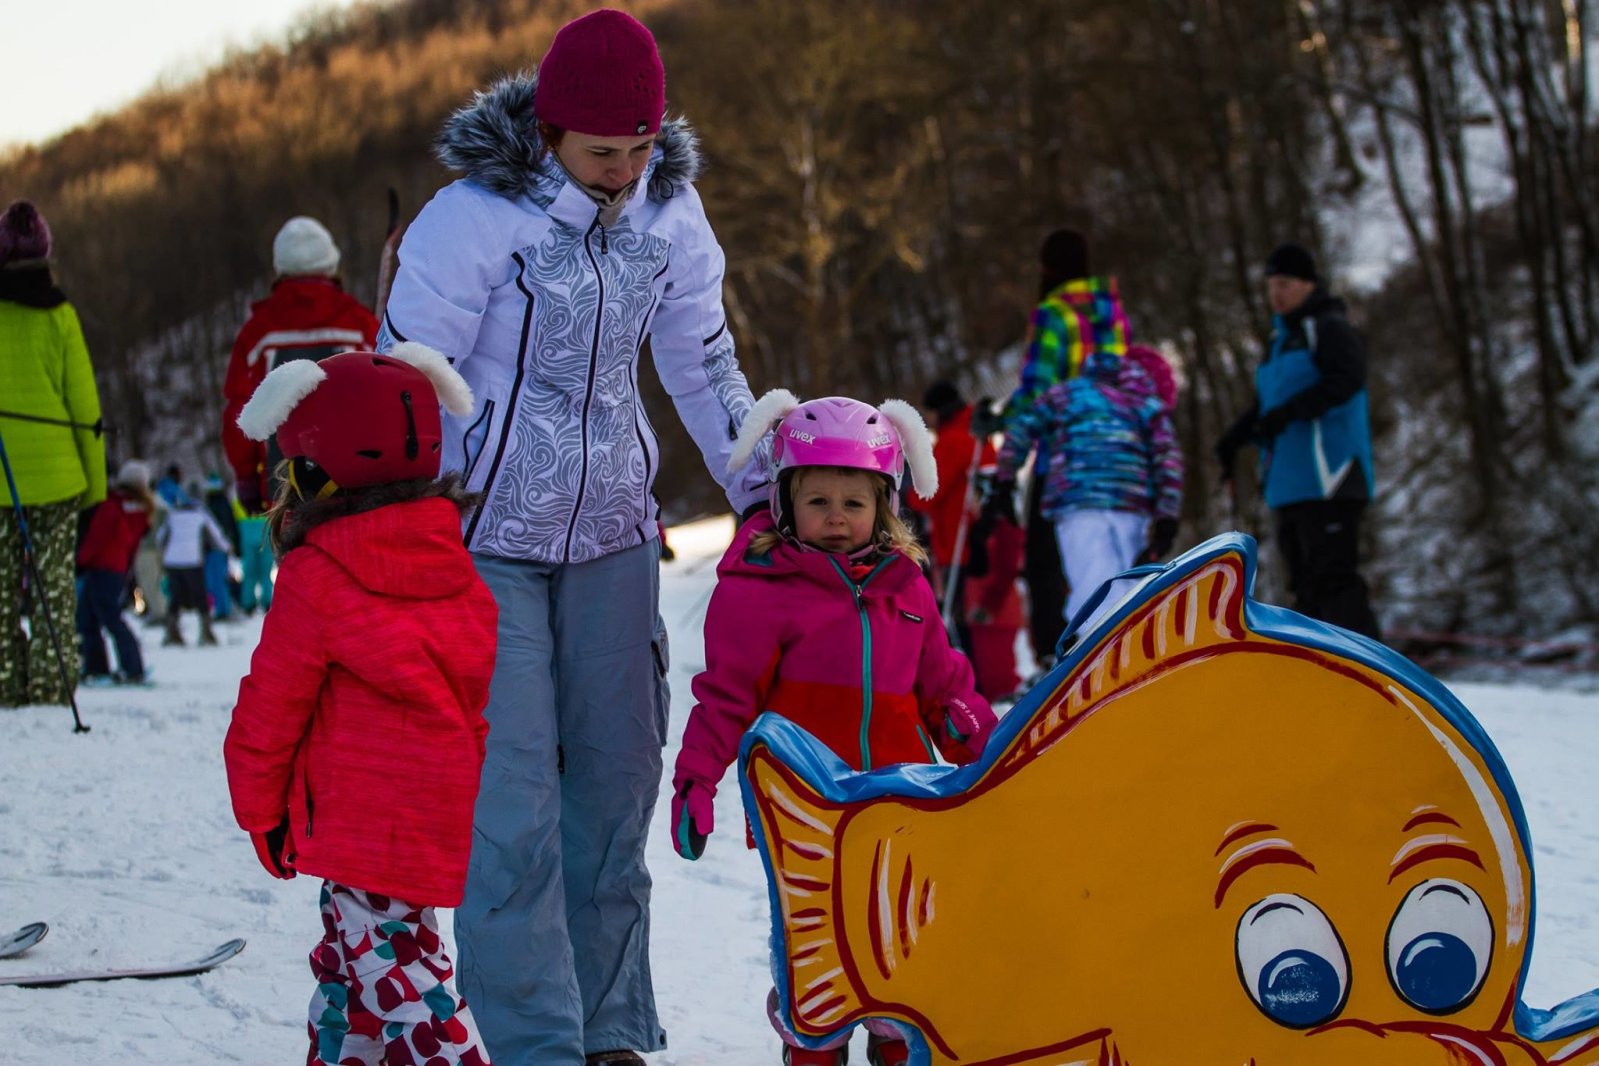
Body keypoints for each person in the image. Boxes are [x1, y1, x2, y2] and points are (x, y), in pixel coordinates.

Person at [376, 10, 771, 1064]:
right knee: (512, 805)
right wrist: (393, 512)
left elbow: (702, 359)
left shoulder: (670, 212)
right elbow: (408, 377)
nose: (625, 172)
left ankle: (609, 1036)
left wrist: (762, 488)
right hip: (484, 539)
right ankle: (537, 1044)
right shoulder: (473, 218)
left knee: (612, 791)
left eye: (642, 148)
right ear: (549, 131)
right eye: (603, 152)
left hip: (615, 536)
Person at [670, 391, 996, 1066]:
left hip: (902, 805)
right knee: (816, 949)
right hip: (804, 814)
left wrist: (991, 752)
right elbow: (725, 699)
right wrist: (695, 781)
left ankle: (896, 1046)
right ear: (785, 499)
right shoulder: (759, 590)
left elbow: (944, 689)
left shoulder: (905, 585)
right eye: (818, 501)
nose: (837, 518)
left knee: (900, 945)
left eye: (854, 502)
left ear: (885, 504)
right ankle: (814, 1048)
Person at [224, 343, 496, 1066]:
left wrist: (260, 811)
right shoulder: (456, 568)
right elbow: (471, 698)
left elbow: (269, 708)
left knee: (406, 986)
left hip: (359, 821)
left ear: (315, 470)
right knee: (354, 972)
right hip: (430, 814)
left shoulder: (317, 575)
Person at [1214, 243, 1380, 639]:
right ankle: (1318, 670)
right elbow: (1268, 405)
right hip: (1288, 484)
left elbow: (1347, 380)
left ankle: (1371, 669)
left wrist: (1289, 413)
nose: (1276, 294)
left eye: (1285, 284)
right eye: (1271, 285)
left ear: (1308, 284)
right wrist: (1234, 438)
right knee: (1304, 592)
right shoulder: (1279, 341)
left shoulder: (1328, 327)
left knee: (1335, 583)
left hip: (1330, 478)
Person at [1002, 228, 1130, 668]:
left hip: (1064, 458)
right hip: (1116, 455)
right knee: (1107, 557)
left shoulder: (1053, 315)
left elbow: (1038, 391)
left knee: (1044, 560)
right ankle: (1115, 645)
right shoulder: (1112, 313)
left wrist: (1002, 423)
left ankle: (1054, 659)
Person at [994, 347, 1184, 636]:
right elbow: (1168, 458)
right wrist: (1167, 517)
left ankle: (1099, 649)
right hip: (1131, 505)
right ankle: (1135, 645)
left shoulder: (1067, 393)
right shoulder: (1145, 402)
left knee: (1092, 589)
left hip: (1077, 502)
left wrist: (1005, 479)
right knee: (1134, 586)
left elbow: (1022, 426)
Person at [0, 199, 105, 708]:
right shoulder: (60, 314)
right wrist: (96, 489)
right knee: (54, 590)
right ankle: (49, 685)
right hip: (59, 479)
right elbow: (85, 408)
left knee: (1, 593)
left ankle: (5, 683)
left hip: (2, 477)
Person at [221, 215, 380, 515]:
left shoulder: (257, 333)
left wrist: (246, 476)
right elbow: (382, 395)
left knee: (294, 547)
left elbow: (238, 408)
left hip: (283, 489)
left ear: (280, 268)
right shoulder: (359, 325)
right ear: (330, 264)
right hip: (354, 484)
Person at [909, 381, 995, 629]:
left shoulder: (951, 441)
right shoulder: (977, 433)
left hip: (957, 541)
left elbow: (925, 494)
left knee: (960, 617)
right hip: (981, 535)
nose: (928, 419)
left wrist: (907, 493)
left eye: (929, 412)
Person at [76, 460, 157, 685]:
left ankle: (105, 667)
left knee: (92, 619)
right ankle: (128, 666)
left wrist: (81, 561)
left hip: (100, 567)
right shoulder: (141, 510)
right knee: (103, 617)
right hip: (118, 569)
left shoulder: (112, 505)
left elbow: (97, 537)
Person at [962, 473, 1026, 701]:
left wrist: (988, 605)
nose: (970, 501)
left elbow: (1007, 570)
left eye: (975, 495)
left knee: (999, 678)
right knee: (986, 679)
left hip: (996, 614)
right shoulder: (978, 527)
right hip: (979, 613)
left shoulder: (1003, 527)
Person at [156, 484, 228, 647]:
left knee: (175, 596)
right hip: (192, 560)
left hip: (172, 561)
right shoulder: (201, 514)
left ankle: (172, 632)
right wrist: (227, 548)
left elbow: (161, 537)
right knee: (200, 595)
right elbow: (216, 536)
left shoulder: (173, 513)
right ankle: (206, 632)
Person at [202, 473, 240, 621]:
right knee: (221, 579)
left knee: (215, 580)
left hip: (213, 548)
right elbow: (231, 524)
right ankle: (223, 608)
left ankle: (222, 610)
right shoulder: (225, 503)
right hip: (222, 547)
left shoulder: (207, 505)